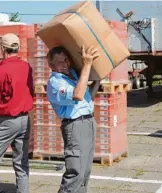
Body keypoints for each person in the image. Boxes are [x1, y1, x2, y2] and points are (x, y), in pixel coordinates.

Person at [0, 33, 34, 193]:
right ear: (17, 48)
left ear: (3, 49)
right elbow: (31, 91)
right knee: (21, 162)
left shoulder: (1, 71)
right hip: (24, 119)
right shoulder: (26, 67)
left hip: (6, 121)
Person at [46, 45, 101, 193]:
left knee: (84, 173)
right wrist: (87, 64)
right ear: (51, 66)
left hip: (88, 122)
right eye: (60, 62)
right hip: (75, 127)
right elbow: (77, 95)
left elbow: (86, 98)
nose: (65, 64)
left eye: (66, 59)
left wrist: (97, 80)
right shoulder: (55, 83)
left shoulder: (73, 76)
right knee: (75, 173)